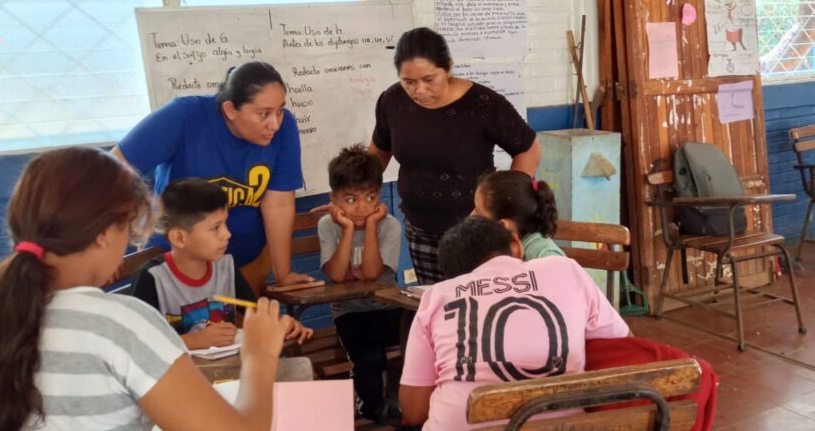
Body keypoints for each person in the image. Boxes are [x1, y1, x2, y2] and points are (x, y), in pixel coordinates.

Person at [0, 147, 292, 431]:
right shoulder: (122, 324)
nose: (128, 243)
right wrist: (260, 356)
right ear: (105, 234)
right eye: (129, 230)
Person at [398, 216, 630, 431]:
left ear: (453, 275)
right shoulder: (565, 269)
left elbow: (414, 412)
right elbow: (626, 349)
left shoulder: (437, 296)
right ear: (517, 245)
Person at [113, 61, 314, 294]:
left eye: (280, 110)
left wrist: (284, 274)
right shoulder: (184, 115)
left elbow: (278, 204)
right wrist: (111, 243)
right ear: (230, 110)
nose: (275, 123)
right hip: (175, 266)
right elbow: (114, 171)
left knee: (237, 328)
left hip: (244, 264)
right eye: (264, 114)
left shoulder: (284, 126)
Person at [370, 27, 541, 284]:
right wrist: (357, 192)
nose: (419, 91)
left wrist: (501, 203)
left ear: (448, 68)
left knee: (479, 306)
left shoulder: (483, 103)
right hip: (420, 230)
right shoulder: (392, 101)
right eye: (409, 82)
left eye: (429, 79)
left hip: (474, 232)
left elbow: (529, 150)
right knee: (439, 306)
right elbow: (379, 151)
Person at [129, 178, 313, 352]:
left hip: (228, 374)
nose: (227, 234)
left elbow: (255, 311)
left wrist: (281, 322)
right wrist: (193, 341)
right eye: (215, 227)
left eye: (225, 223)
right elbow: (137, 344)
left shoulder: (226, 267)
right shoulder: (151, 278)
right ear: (179, 238)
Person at [318, 145, 404, 421]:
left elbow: (371, 272)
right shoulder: (327, 225)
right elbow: (337, 275)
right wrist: (347, 229)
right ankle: (371, 406)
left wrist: (369, 227)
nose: (363, 207)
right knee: (368, 358)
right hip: (351, 312)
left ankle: (400, 401)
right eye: (351, 199)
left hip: (389, 306)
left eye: (370, 197)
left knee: (417, 344)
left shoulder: (388, 225)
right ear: (334, 199)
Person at [472, 170, 565, 260]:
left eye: (478, 212)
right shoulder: (498, 248)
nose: (471, 216)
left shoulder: (545, 256)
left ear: (502, 226)